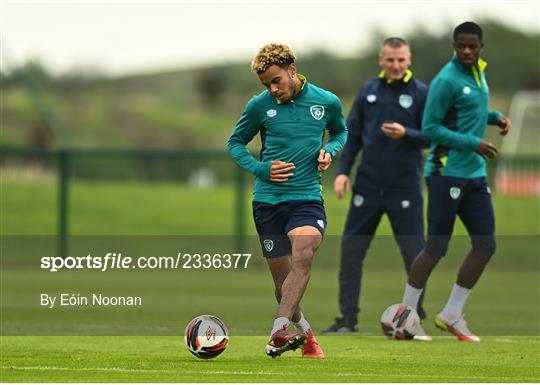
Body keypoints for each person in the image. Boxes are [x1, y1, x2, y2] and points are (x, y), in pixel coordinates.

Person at [227, 43, 348, 358]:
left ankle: (277, 331)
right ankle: (307, 336)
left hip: (306, 197)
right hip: (267, 202)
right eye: (266, 84)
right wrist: (261, 168)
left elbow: (340, 133)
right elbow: (235, 143)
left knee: (304, 253)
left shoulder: (326, 101)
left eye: (276, 80)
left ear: (292, 70)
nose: (273, 89)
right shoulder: (259, 106)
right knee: (283, 287)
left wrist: (329, 152)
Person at [400, 21, 511, 342]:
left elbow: (469, 110)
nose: (466, 51)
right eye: (460, 46)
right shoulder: (445, 80)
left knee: (486, 244)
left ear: (481, 47)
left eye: (471, 46)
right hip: (445, 172)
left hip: (474, 174)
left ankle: (451, 314)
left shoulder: (478, 73)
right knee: (436, 246)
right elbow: (431, 127)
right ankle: (406, 317)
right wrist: (472, 142)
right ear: (454, 46)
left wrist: (495, 118)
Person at [322, 37, 431, 340]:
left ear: (409, 60)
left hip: (405, 188)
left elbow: (433, 136)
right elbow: (352, 133)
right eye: (390, 60)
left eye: (401, 60)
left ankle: (414, 318)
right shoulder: (369, 91)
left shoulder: (422, 93)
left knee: (414, 254)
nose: (395, 65)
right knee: (351, 251)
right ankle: (347, 318)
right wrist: (343, 172)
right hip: (367, 186)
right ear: (381, 60)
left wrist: (406, 133)